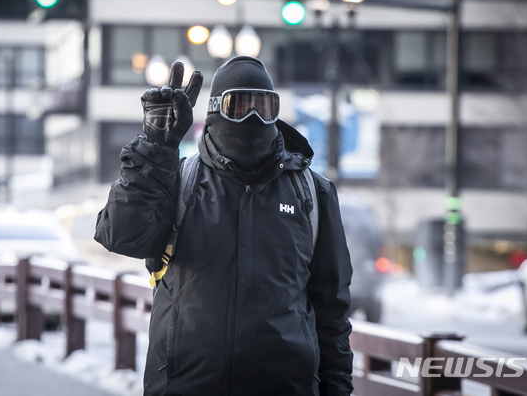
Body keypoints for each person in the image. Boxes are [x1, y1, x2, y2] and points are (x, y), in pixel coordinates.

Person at [95, 56, 353, 396]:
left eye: (264, 106)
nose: (253, 117)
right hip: (187, 386)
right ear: (216, 111)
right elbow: (121, 235)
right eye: (239, 106)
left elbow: (331, 310)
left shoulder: (313, 193)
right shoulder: (178, 182)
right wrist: (156, 149)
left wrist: (336, 390)